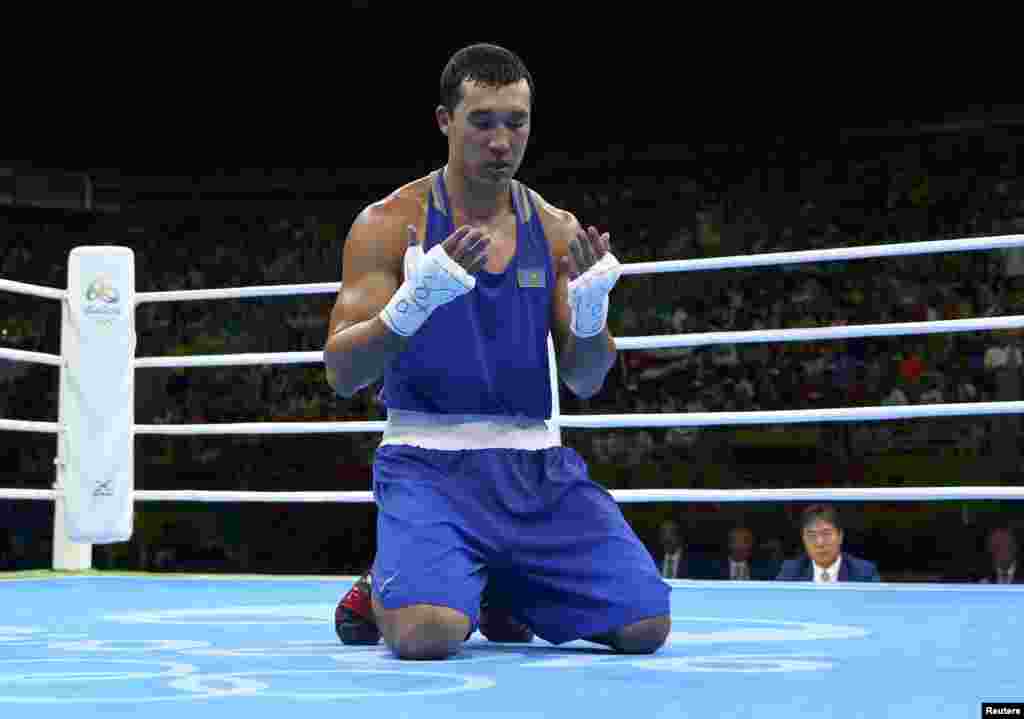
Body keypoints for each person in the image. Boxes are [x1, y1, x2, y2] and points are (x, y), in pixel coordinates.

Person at [323, 43, 671, 660]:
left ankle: (492, 580)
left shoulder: (558, 230)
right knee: (426, 635)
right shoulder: (388, 223)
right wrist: (411, 304)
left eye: (517, 121)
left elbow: (586, 380)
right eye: (482, 121)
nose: (502, 141)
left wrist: (591, 320)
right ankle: (395, 581)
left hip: (534, 473)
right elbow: (341, 371)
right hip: (426, 463)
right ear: (443, 121)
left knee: (646, 626)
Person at [776, 504, 881, 582]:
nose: (820, 543)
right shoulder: (790, 572)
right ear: (804, 539)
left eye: (826, 534)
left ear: (840, 536)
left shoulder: (864, 573)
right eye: (812, 535)